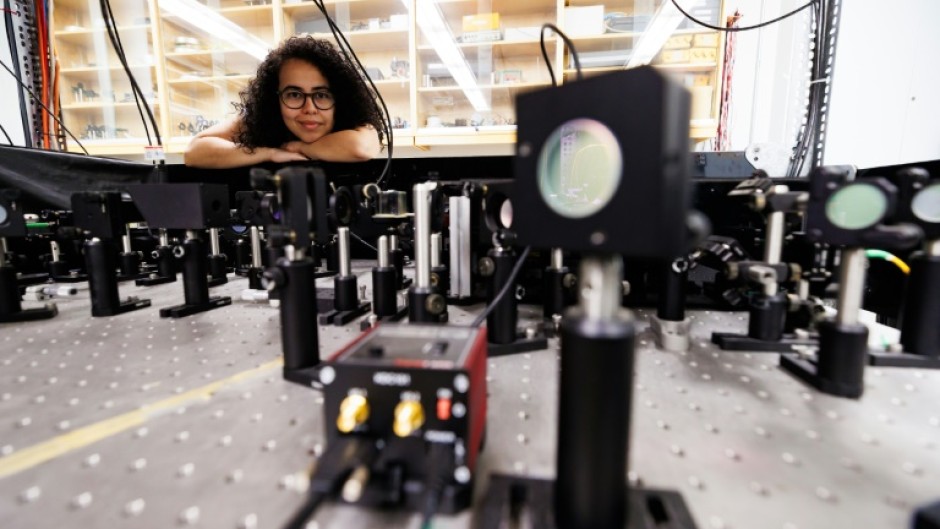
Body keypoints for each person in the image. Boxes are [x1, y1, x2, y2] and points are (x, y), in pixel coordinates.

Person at [184, 35, 384, 168]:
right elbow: (195, 151)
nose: (309, 108)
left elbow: (361, 147)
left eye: (321, 95)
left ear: (339, 98)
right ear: (275, 98)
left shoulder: (354, 121)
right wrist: (269, 153)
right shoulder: (260, 120)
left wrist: (300, 148)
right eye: (294, 95)